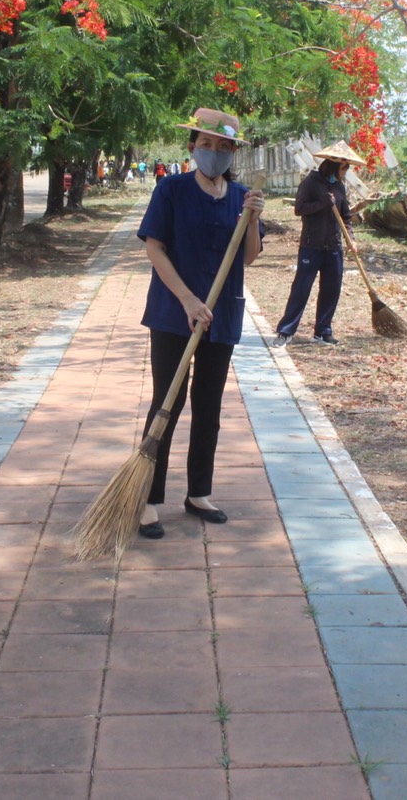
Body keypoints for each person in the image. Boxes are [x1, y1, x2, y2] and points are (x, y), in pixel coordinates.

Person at [136, 108, 265, 538]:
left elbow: (247, 257)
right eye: (205, 144)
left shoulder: (242, 197)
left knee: (208, 406)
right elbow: (155, 248)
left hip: (222, 312)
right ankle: (148, 498)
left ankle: (198, 494)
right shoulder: (170, 190)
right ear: (192, 147)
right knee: (166, 404)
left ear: (232, 152)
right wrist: (188, 299)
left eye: (222, 146)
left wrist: (252, 219)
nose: (213, 152)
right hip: (174, 312)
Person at [273, 140, 366, 348]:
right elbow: (299, 209)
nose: (346, 171)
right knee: (302, 288)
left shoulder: (339, 187)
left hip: (333, 246)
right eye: (344, 167)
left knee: (331, 289)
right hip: (311, 245)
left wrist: (351, 238)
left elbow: (346, 216)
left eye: (347, 167)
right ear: (333, 165)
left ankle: (323, 331)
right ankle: (286, 330)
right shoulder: (311, 182)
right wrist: (322, 204)